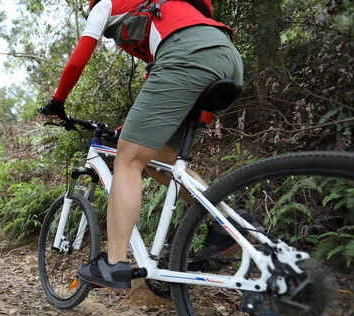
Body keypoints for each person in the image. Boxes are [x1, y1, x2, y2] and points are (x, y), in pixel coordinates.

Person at [40, 0, 244, 290]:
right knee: (160, 159)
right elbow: (158, 86)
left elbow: (78, 59)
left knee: (127, 159)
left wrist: (57, 101)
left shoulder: (106, 4)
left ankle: (113, 263)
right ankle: (228, 223)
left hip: (188, 55)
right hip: (228, 59)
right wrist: (130, 129)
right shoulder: (165, 8)